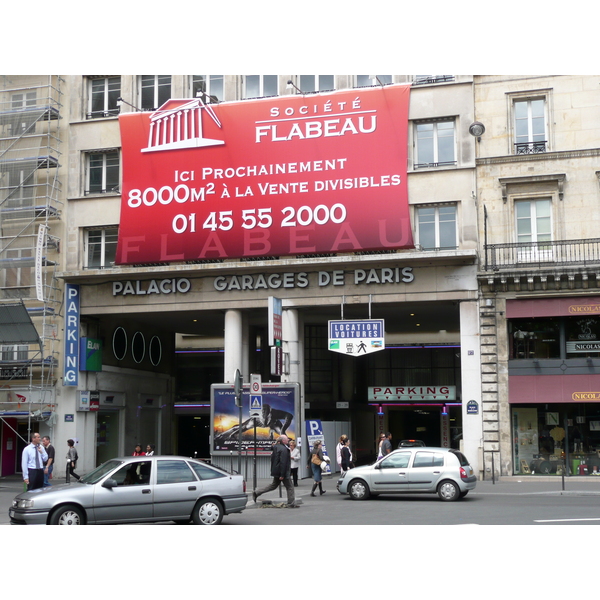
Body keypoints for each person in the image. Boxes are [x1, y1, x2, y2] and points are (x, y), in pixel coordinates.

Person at [252, 434, 297, 508]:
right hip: (283, 472)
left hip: (276, 471)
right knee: (290, 487)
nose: (288, 440)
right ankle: (291, 503)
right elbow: (283, 462)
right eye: (287, 439)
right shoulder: (284, 450)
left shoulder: (276, 447)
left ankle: (257, 492)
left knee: (273, 485)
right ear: (283, 441)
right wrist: (282, 474)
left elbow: (273, 460)